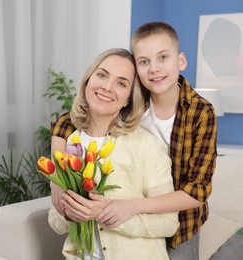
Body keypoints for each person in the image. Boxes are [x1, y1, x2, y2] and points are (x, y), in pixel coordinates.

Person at [50, 22, 217, 260]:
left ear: (181, 61)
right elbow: (70, 121)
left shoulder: (200, 112)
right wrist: (57, 178)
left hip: (182, 217)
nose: (154, 69)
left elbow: (198, 189)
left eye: (163, 58)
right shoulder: (132, 98)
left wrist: (128, 207)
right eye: (144, 61)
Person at [48, 48, 179, 260]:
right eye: (102, 75)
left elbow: (169, 223)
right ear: (87, 81)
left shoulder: (146, 146)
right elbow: (56, 223)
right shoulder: (70, 143)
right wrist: (67, 213)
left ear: (128, 98)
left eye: (121, 83)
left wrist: (106, 214)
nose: (107, 87)